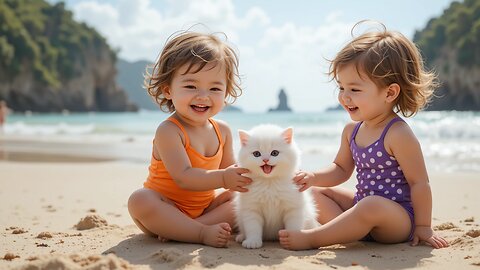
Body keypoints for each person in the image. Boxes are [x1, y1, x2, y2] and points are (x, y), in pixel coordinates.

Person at [278, 22, 449, 250]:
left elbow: (419, 183)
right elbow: (340, 169)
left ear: (389, 92)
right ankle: (349, 229)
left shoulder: (397, 133)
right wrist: (312, 176)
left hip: (396, 220)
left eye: (355, 90)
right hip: (362, 206)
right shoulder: (352, 131)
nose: (344, 97)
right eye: (341, 87)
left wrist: (424, 227)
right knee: (315, 192)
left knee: (371, 206)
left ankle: (314, 238)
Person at [128, 31, 252, 248]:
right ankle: (199, 233)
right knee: (139, 199)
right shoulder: (169, 131)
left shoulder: (222, 130)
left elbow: (231, 171)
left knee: (245, 198)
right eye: (190, 86)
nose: (203, 96)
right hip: (164, 208)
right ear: (168, 90)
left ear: (226, 92)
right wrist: (224, 178)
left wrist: (251, 175)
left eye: (214, 88)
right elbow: (184, 177)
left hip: (205, 210)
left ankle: (184, 229)